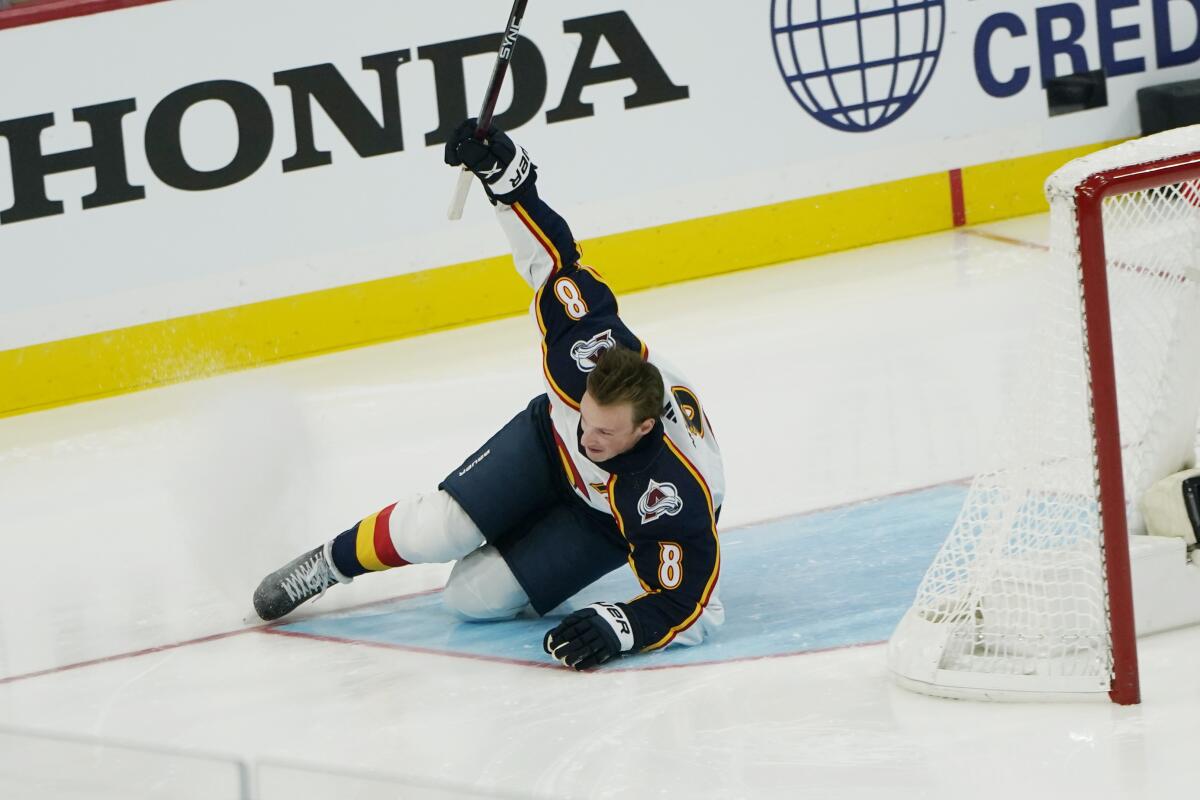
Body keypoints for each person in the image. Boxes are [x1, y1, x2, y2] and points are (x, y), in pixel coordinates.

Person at [252, 120, 725, 670]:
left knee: (469, 600)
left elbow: (695, 608)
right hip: (545, 449)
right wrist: (507, 178)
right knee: (440, 530)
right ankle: (327, 564)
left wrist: (622, 627)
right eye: (587, 420)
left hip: (604, 519)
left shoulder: (675, 489)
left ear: (645, 429)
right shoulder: (586, 352)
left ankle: (535, 558)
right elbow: (554, 261)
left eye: (604, 433)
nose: (588, 438)